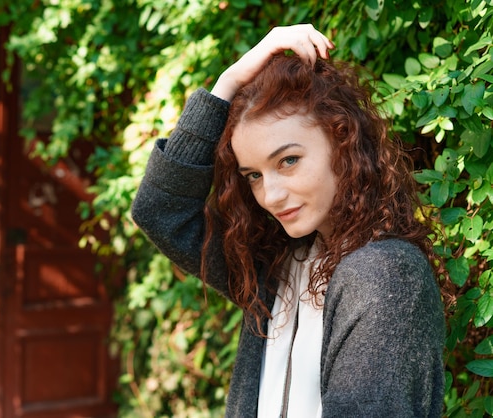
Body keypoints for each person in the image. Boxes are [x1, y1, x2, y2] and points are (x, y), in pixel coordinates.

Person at [131, 24, 445, 417]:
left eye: (289, 160)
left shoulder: (385, 276)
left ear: (342, 142)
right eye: (254, 175)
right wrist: (228, 82)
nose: (271, 196)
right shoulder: (277, 266)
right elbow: (160, 211)